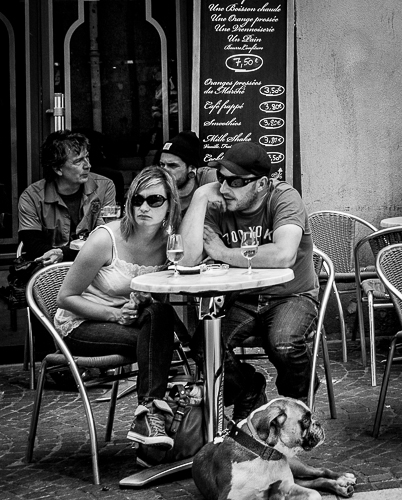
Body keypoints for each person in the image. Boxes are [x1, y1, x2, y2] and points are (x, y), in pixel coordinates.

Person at [180, 141, 319, 422]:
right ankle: (249, 389)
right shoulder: (217, 202)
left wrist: (223, 253)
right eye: (220, 178)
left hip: (291, 296)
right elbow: (185, 260)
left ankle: (295, 407)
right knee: (204, 347)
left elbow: (283, 254)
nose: (224, 187)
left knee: (284, 343)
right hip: (241, 297)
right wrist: (200, 197)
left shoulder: (283, 198)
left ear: (262, 184)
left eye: (235, 182)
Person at [55, 166, 182, 449]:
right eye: (137, 200)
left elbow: (159, 297)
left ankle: (155, 412)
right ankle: (153, 411)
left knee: (160, 314)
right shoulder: (105, 239)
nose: (144, 207)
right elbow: (65, 297)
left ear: (170, 203)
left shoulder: (170, 243)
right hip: (81, 325)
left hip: (132, 322)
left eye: (154, 200)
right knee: (160, 341)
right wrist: (114, 313)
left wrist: (142, 300)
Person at [18, 130, 116, 266]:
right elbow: (33, 245)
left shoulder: (104, 187)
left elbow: (107, 238)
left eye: (87, 157)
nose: (88, 165)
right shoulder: (31, 197)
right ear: (58, 169)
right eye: (78, 161)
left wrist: (63, 253)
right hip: (50, 268)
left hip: (94, 265)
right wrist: (61, 255)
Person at [154, 131, 217, 214]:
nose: (164, 171)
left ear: (192, 168)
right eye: (162, 164)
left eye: (172, 165)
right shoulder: (156, 188)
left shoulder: (208, 179)